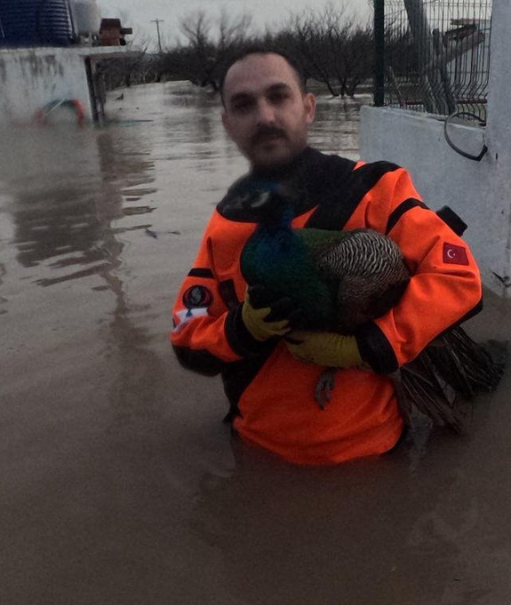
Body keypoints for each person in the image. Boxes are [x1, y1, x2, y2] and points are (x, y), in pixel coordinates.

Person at [169, 49, 484, 466]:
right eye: (244, 104)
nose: (264, 116)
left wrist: (363, 347)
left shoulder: (378, 188)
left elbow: (460, 281)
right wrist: (240, 329)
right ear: (228, 124)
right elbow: (187, 336)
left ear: (309, 107)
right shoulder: (225, 222)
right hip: (256, 452)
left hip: (371, 451)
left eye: (279, 96)